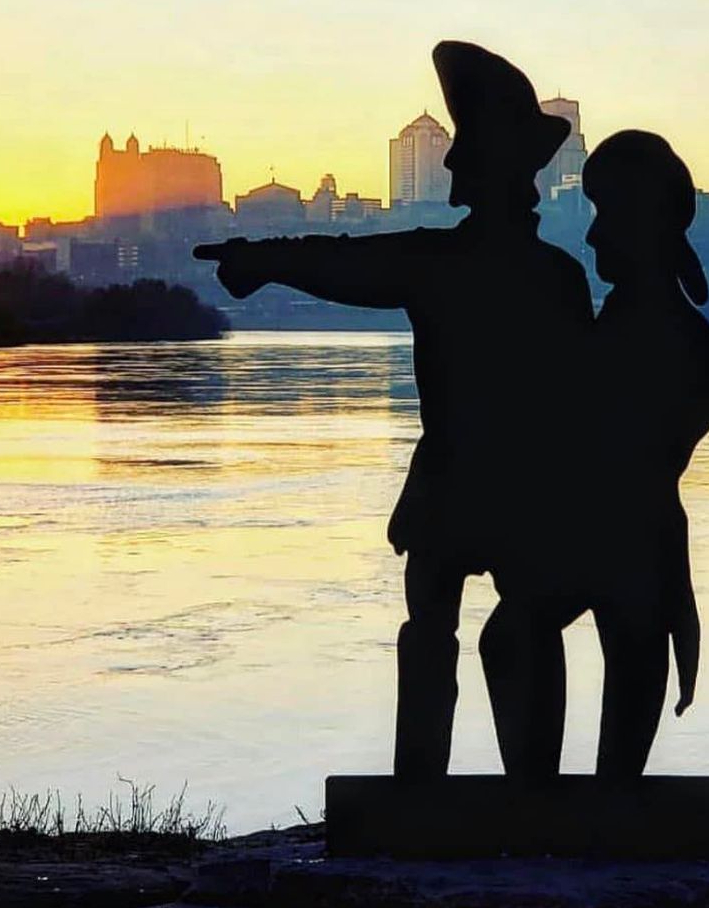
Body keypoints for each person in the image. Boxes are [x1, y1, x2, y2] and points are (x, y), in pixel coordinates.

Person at [194, 41, 593, 779]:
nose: (447, 167)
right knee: (501, 630)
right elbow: (342, 260)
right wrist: (265, 258)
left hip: (460, 483)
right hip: (507, 488)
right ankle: (531, 791)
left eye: (463, 153)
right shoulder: (552, 276)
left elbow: (344, 262)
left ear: (487, 168)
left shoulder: (445, 264)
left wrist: (262, 260)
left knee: (444, 630)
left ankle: (427, 790)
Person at [481, 129, 709, 780]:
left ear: (642, 224)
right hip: (621, 542)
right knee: (517, 637)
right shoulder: (645, 335)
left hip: (624, 546)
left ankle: (559, 801)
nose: (590, 239)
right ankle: (560, 799)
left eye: (603, 217)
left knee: (521, 637)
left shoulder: (660, 343)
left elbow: (628, 465)